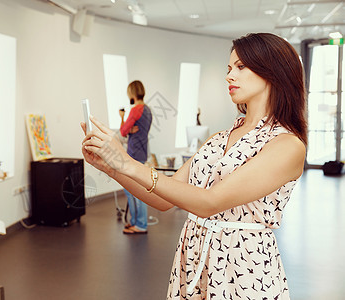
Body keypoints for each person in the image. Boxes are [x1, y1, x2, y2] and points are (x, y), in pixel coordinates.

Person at [81, 32, 306, 299]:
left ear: (273, 73)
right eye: (229, 68)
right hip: (194, 257)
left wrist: (126, 162)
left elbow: (210, 202)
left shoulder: (286, 145)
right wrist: (111, 168)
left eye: (241, 67)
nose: (229, 76)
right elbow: (165, 199)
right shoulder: (217, 139)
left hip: (243, 268)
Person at [118, 80, 152, 234]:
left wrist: (122, 117)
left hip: (133, 154)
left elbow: (123, 131)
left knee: (134, 189)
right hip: (142, 152)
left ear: (132, 93)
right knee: (133, 188)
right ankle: (135, 222)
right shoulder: (147, 110)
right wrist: (131, 129)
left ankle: (140, 224)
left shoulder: (135, 110)